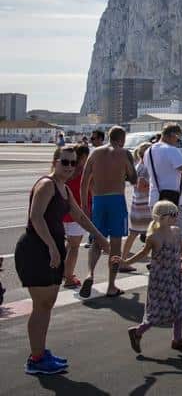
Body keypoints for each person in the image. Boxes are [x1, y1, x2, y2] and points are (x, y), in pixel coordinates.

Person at [15, 146, 109, 374]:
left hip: (51, 248)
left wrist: (99, 237)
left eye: (73, 163)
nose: (69, 167)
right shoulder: (47, 184)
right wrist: (51, 247)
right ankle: (36, 360)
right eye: (64, 162)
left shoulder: (64, 188)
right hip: (36, 250)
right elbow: (35, 217)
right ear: (55, 162)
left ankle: (39, 352)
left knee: (46, 305)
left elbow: (79, 216)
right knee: (41, 306)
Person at [115, 200, 182, 354]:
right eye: (173, 214)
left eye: (177, 213)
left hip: (175, 275)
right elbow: (143, 253)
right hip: (160, 279)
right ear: (162, 217)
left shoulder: (176, 231)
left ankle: (177, 339)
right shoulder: (153, 237)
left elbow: (181, 250)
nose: (177, 216)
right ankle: (137, 332)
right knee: (158, 311)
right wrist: (125, 261)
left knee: (179, 307)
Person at [79, 126, 136, 298]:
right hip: (116, 200)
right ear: (122, 139)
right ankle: (111, 285)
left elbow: (84, 181)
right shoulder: (124, 153)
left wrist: (84, 206)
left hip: (98, 200)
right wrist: (125, 173)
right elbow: (133, 178)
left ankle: (90, 273)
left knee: (97, 239)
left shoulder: (95, 153)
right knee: (116, 245)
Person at [143, 123, 182, 255]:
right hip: (173, 201)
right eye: (178, 139)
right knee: (180, 235)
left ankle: (158, 260)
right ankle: (173, 263)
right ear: (173, 135)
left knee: (158, 234)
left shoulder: (148, 151)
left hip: (155, 198)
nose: (178, 143)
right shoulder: (171, 150)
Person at [62, 143, 91, 288]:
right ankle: (68, 277)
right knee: (74, 247)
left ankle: (65, 272)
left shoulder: (67, 170)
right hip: (77, 213)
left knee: (69, 244)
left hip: (63, 212)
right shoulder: (84, 171)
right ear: (84, 156)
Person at [121, 142, 153, 268]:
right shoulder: (144, 168)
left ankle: (123, 260)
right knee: (150, 233)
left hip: (137, 204)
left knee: (134, 233)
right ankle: (124, 262)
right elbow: (141, 186)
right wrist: (155, 187)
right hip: (144, 206)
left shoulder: (137, 166)